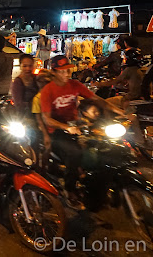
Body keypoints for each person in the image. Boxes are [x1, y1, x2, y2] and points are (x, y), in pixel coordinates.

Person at [40, 55, 124, 206]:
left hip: (77, 126)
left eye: (67, 71)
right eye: (62, 71)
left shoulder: (75, 85)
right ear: (54, 72)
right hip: (57, 132)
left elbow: (96, 99)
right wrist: (67, 128)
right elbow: (46, 119)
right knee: (75, 153)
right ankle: (69, 189)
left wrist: (118, 111)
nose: (67, 74)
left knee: (105, 146)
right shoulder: (48, 91)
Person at [11, 54, 40, 132]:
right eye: (25, 66)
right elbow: (19, 104)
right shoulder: (18, 82)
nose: (28, 69)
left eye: (30, 66)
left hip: (39, 116)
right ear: (20, 66)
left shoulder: (37, 79)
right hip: (25, 118)